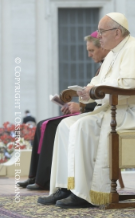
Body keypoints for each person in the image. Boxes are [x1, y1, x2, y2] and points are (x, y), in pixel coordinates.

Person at [38, 12, 135, 208]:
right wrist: (86, 92)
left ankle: (83, 192)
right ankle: (66, 187)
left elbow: (130, 86)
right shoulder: (113, 52)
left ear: (117, 32)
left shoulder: (133, 49)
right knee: (65, 125)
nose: (99, 36)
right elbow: (98, 82)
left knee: (82, 126)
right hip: (114, 107)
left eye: (102, 32)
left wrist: (96, 92)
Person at [17, 32, 109, 190]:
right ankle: (34, 176)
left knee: (52, 126)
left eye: (92, 51)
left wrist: (81, 107)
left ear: (103, 48)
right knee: (41, 124)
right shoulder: (103, 67)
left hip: (97, 114)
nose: (89, 55)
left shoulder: (108, 66)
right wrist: (77, 103)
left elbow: (108, 99)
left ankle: (43, 180)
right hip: (89, 111)